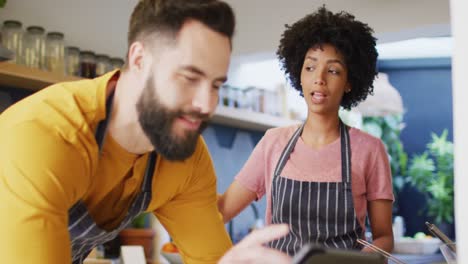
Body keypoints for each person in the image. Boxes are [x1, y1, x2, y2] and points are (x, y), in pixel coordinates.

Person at [0, 1, 292, 263]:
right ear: (139, 59)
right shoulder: (45, 137)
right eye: (189, 77)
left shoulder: (184, 156)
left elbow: (211, 260)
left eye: (215, 85)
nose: (206, 104)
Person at [218, 6, 395, 256]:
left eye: (333, 70)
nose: (319, 78)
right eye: (310, 67)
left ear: (349, 82)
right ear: (298, 74)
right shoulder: (273, 143)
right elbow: (223, 209)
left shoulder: (369, 150)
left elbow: (384, 237)